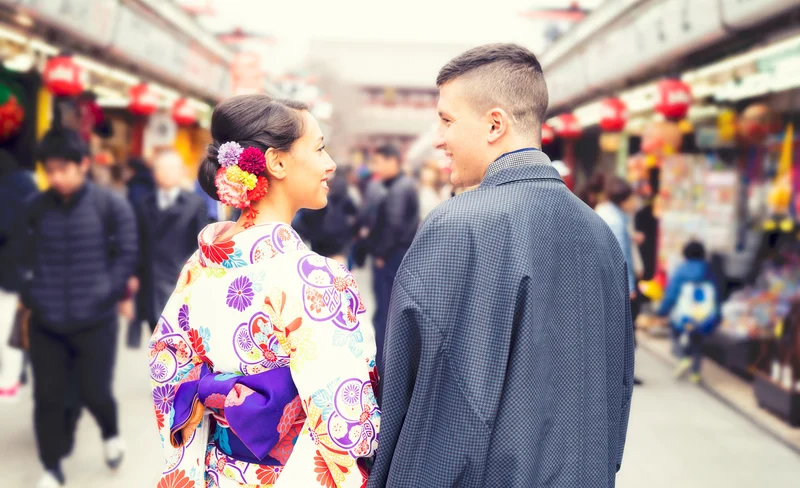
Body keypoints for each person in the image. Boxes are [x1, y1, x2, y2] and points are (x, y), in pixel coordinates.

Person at [369, 44, 634, 488]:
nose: (438, 137)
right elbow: (618, 384)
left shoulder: (458, 227)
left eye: (447, 120)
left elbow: (427, 402)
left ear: (495, 124)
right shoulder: (599, 233)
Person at [149, 95, 379, 488]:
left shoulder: (202, 262)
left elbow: (167, 365)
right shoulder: (314, 277)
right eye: (320, 147)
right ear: (277, 162)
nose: (331, 163)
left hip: (219, 470)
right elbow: (343, 415)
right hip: (290, 473)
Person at [17, 128, 138, 488]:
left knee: (94, 391)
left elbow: (128, 251)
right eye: (49, 171)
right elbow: (18, 255)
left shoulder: (110, 204)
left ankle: (111, 433)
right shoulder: (35, 208)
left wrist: (108, 290)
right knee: (48, 397)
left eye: (62, 169)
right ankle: (51, 466)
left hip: (95, 320)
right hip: (47, 321)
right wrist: (31, 291)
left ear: (82, 165)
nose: (56, 177)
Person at [130, 150, 209, 338]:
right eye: (161, 168)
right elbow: (136, 241)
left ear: (182, 172)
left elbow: (200, 245)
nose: (166, 173)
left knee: (178, 339)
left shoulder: (195, 205)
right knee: (155, 338)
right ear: (153, 173)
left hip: (180, 281)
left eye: (171, 168)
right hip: (150, 283)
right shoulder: (143, 203)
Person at [366, 144, 419, 370]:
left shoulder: (399, 188)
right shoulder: (400, 185)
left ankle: (383, 364)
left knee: (385, 312)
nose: (375, 168)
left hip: (391, 257)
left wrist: (380, 254)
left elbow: (394, 224)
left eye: (378, 162)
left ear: (392, 161)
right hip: (398, 255)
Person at [596, 177, 644, 386]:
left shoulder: (604, 211)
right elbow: (621, 256)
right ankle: (623, 375)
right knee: (624, 331)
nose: (634, 202)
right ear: (622, 199)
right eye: (631, 198)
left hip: (604, 282)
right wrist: (630, 287)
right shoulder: (616, 219)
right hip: (616, 284)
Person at [0, 149, 38, 402]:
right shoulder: (27, 183)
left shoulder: (9, 190)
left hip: (8, 270)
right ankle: (15, 377)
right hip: (21, 269)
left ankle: (9, 383)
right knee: (14, 326)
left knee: (6, 328)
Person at [656, 241, 720, 384]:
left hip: (683, 315)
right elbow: (716, 294)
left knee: (675, 333)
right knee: (697, 342)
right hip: (704, 315)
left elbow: (672, 294)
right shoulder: (709, 270)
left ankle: (682, 357)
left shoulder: (681, 270)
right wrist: (717, 316)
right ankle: (695, 373)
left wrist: (662, 311)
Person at [292, 166, 358, 266]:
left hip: (321, 237)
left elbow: (306, 217)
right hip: (340, 234)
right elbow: (353, 211)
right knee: (339, 265)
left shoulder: (322, 198)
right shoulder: (344, 194)